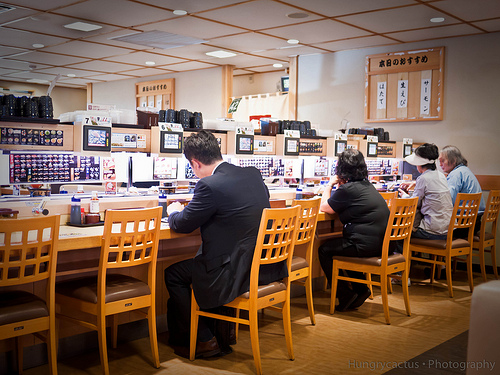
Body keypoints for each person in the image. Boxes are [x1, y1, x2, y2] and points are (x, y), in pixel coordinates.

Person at [164, 130, 287, 359]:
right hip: (264, 267)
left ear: (195, 163)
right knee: (204, 261)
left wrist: (173, 211)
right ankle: (218, 334)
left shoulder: (209, 185)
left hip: (234, 272)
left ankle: (203, 340)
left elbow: (182, 225)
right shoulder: (252, 174)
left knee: (173, 274)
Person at [319, 149, 390, 312]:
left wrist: (329, 184)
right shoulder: (367, 185)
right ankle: (360, 289)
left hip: (365, 245)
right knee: (346, 246)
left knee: (324, 250)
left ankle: (344, 294)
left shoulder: (347, 189)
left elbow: (325, 207)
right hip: (381, 244)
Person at [399, 143, 453, 240]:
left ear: (420, 164)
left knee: (399, 233)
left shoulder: (423, 178)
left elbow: (413, 203)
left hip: (432, 231)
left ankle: (403, 255)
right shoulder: (441, 176)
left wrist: (404, 197)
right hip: (447, 230)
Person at [438, 145, 485, 237]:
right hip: (475, 222)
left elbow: (448, 201)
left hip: (462, 226)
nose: (440, 164)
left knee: (428, 231)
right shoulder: (465, 171)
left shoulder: (455, 175)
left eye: (442, 161)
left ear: (454, 160)